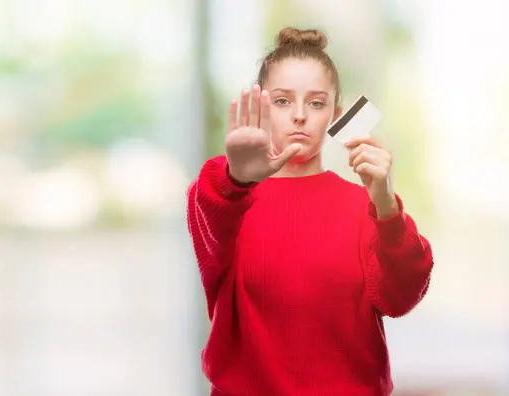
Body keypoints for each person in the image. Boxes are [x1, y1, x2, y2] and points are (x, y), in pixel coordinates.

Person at [186, 27, 434, 396]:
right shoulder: (229, 198)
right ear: (262, 108)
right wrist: (236, 177)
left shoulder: (363, 206)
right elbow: (210, 206)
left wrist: (385, 205)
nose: (300, 115)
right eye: (283, 101)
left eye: (316, 103)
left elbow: (401, 298)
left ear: (335, 114)